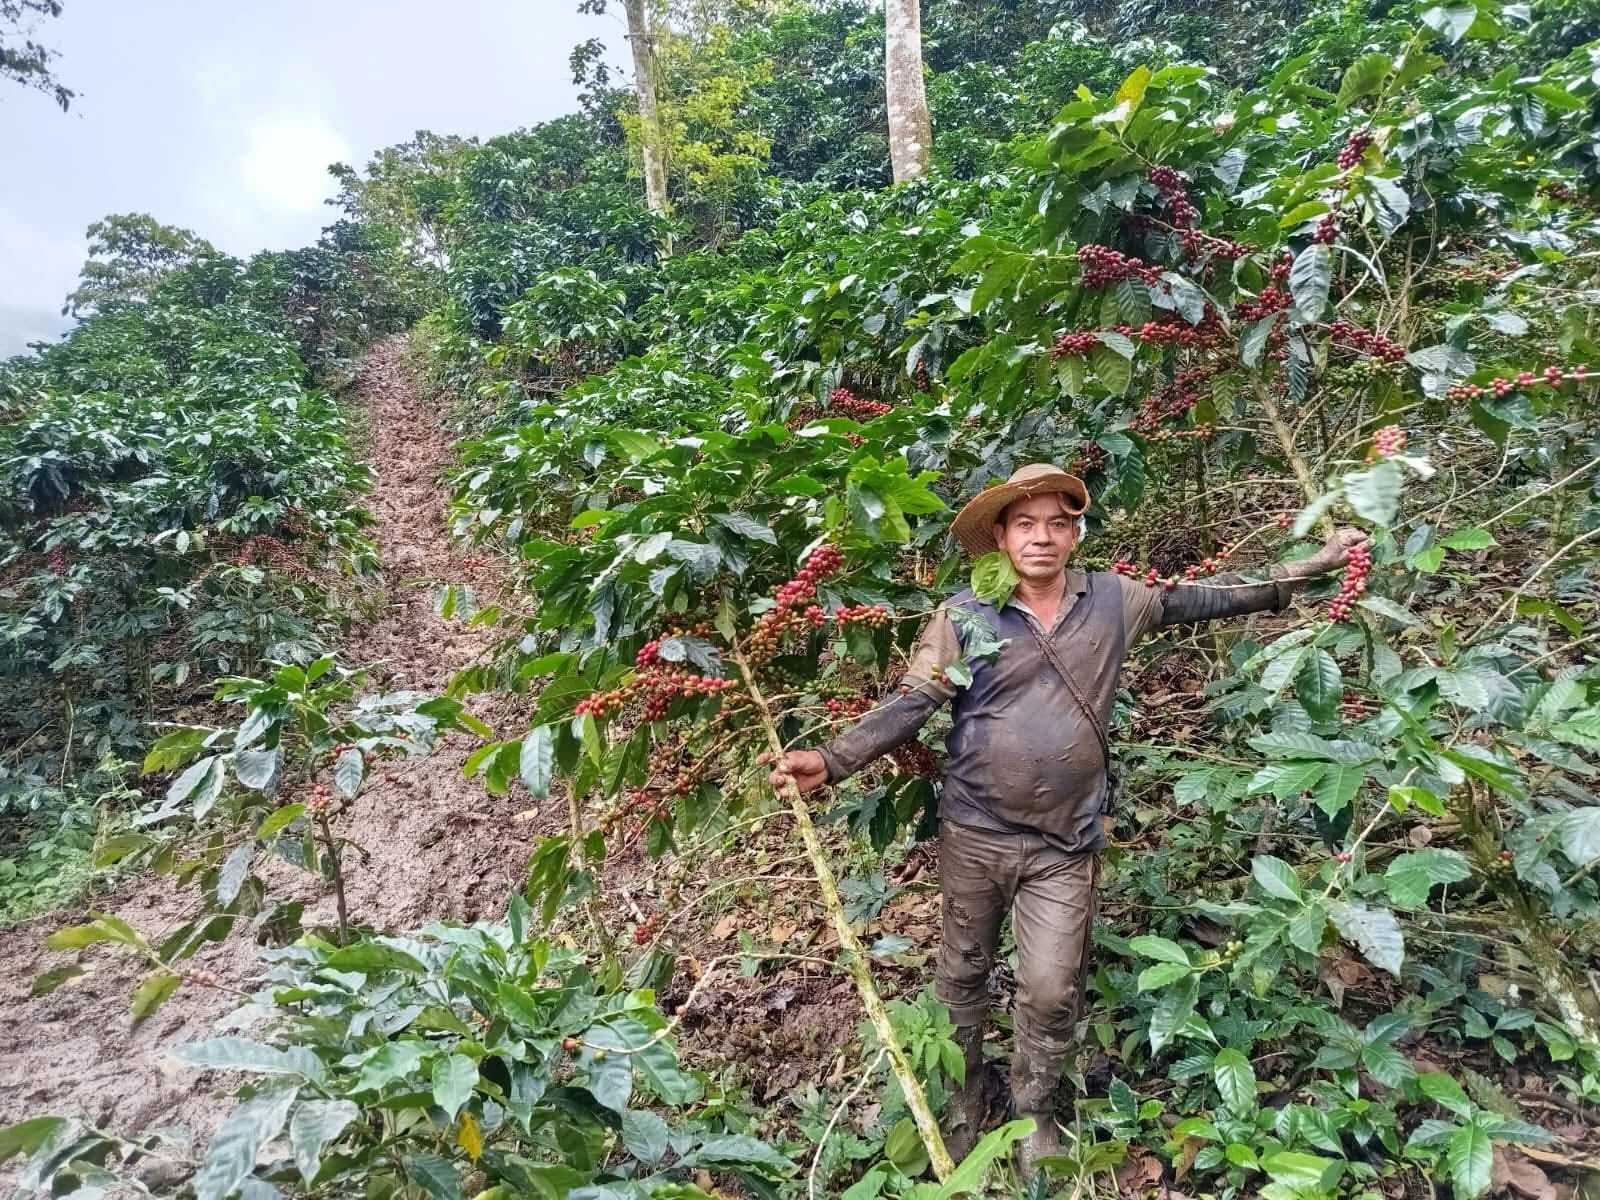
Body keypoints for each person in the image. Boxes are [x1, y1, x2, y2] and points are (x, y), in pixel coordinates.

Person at [767, 462, 1369, 1178]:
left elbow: (1215, 597)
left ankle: (1036, 1114)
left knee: (1052, 988)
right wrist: (833, 760)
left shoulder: (1115, 599)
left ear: (1076, 532)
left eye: (1059, 522)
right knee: (961, 976)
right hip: (975, 832)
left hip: (1066, 843)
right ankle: (961, 1104)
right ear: (1000, 536)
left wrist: (1314, 567)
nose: (1043, 537)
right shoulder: (963, 615)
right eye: (1026, 524)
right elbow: (913, 702)